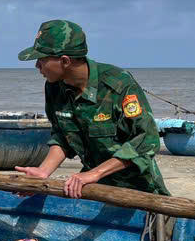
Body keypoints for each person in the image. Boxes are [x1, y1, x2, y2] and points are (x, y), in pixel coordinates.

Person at [14, 19, 168, 198]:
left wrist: (95, 173)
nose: (37, 66)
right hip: (93, 189)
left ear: (65, 61)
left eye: (41, 59)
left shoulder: (118, 84)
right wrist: (43, 171)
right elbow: (63, 136)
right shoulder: (54, 87)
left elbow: (147, 141)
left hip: (139, 190)